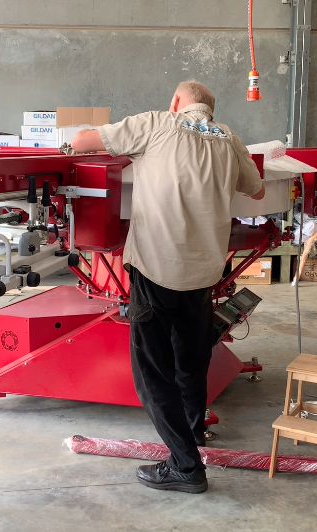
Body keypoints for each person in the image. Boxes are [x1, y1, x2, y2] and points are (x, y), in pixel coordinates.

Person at [70, 80, 265, 493]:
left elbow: (82, 140)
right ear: (210, 109)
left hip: (157, 270)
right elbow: (257, 187)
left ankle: (186, 467)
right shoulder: (229, 137)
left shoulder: (157, 123)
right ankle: (193, 432)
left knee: (152, 376)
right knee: (191, 360)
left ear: (177, 102)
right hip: (202, 274)